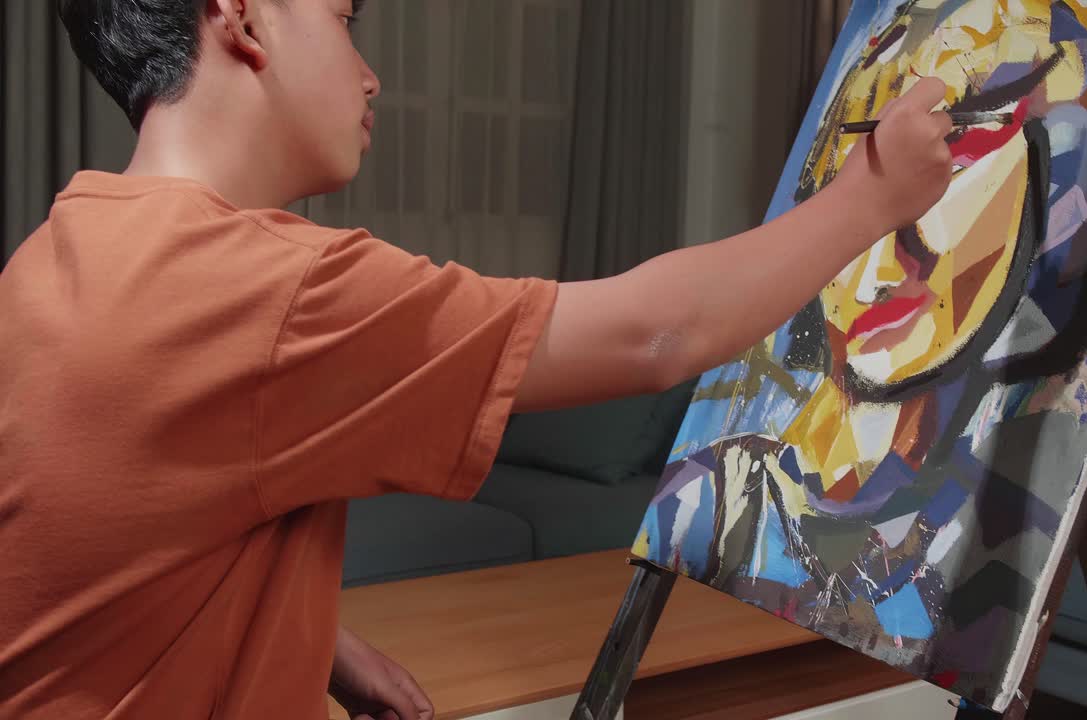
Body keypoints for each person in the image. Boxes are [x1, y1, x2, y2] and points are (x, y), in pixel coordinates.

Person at [0, 1, 955, 718]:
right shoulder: (266, 290)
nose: (370, 74)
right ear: (243, 15)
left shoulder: (58, 250)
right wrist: (874, 195)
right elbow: (654, 335)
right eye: (343, 17)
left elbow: (103, 533)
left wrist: (317, 642)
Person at [634, 0, 1087, 700]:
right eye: (850, 169)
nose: (881, 247)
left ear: (1068, 175)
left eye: (953, 144)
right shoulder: (714, 502)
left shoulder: (1003, 533)